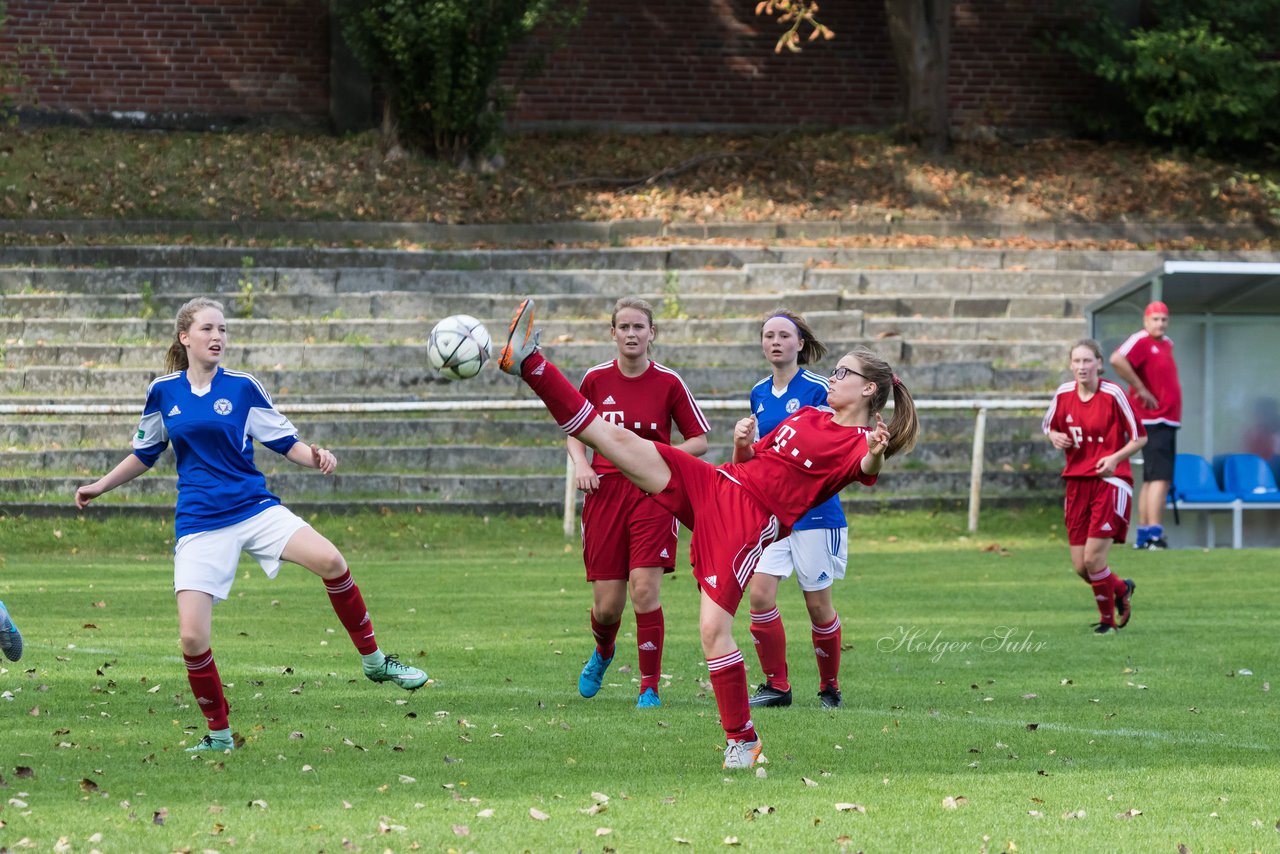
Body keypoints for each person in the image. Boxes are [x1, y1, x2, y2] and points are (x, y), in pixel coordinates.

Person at [497, 298, 918, 769]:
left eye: (843, 374)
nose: (833, 378)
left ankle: (742, 740)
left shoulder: (860, 441)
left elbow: (864, 469)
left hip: (747, 523)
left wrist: (877, 450)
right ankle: (530, 364)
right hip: (720, 483)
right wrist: (742, 447)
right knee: (616, 441)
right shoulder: (809, 417)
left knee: (713, 631)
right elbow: (751, 466)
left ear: (868, 391)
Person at [73, 297, 428, 752]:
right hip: (200, 522)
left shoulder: (243, 388)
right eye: (207, 329)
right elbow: (146, 452)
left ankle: (375, 661)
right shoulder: (163, 391)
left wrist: (314, 455)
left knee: (331, 560)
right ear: (185, 337)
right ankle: (220, 735)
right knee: (192, 637)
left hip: (254, 509)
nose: (217, 337)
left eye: (222, 329)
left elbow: (284, 441)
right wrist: (99, 486)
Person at [567, 296, 710, 709]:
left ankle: (649, 687)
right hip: (605, 494)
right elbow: (575, 431)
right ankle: (605, 651)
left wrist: (664, 464)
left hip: (653, 495)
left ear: (652, 334)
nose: (631, 334)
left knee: (644, 590)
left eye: (639, 327)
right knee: (608, 607)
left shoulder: (669, 382)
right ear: (612, 333)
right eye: (624, 327)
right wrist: (582, 465)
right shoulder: (594, 379)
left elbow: (698, 438)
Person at [744, 311, 848, 710]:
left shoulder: (820, 389)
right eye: (768, 335)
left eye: (784, 335)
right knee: (759, 596)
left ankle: (829, 688)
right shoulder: (757, 392)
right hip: (773, 515)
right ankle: (778, 686)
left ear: (800, 343)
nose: (775, 341)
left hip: (816, 515)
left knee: (818, 605)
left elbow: (833, 444)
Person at [1044, 339, 1147, 634]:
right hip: (1077, 482)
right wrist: (1054, 436)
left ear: (1099, 364)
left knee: (1093, 559)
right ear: (1070, 365)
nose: (1081, 367)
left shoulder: (1113, 393)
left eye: (1087, 361)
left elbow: (1140, 437)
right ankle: (1121, 588)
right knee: (1080, 566)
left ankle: (1107, 622)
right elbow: (1049, 426)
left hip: (1110, 481)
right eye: (1076, 361)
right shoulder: (1063, 394)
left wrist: (1115, 458)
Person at [1110, 301, 1181, 550]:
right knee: (1161, 477)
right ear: (1145, 321)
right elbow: (1117, 358)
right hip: (1154, 418)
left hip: (1166, 418)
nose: (1160, 324)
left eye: (1164, 319)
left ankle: (1143, 536)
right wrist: (1140, 388)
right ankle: (1154, 536)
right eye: (1155, 319)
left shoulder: (1166, 343)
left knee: (1153, 478)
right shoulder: (1140, 340)